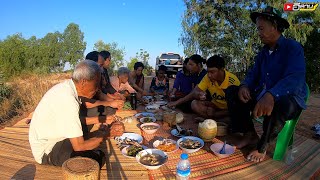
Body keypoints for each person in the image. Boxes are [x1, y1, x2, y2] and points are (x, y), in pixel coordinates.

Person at [225, 6, 307, 163]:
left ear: (275, 26)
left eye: (261, 28)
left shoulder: (292, 48)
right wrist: (244, 86)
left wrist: (272, 94)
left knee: (281, 104)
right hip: (263, 96)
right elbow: (252, 75)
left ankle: (262, 146)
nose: (258, 32)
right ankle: (249, 134)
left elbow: (295, 77)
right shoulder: (262, 53)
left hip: (288, 99)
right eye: (258, 29)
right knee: (232, 92)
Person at [29, 60, 108, 168]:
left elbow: (74, 120)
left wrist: (101, 124)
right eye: (97, 83)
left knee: (88, 131)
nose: (98, 88)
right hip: (47, 150)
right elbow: (79, 147)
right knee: (97, 159)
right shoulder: (67, 99)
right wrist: (107, 135)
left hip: (55, 139)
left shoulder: (67, 88)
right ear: (84, 82)